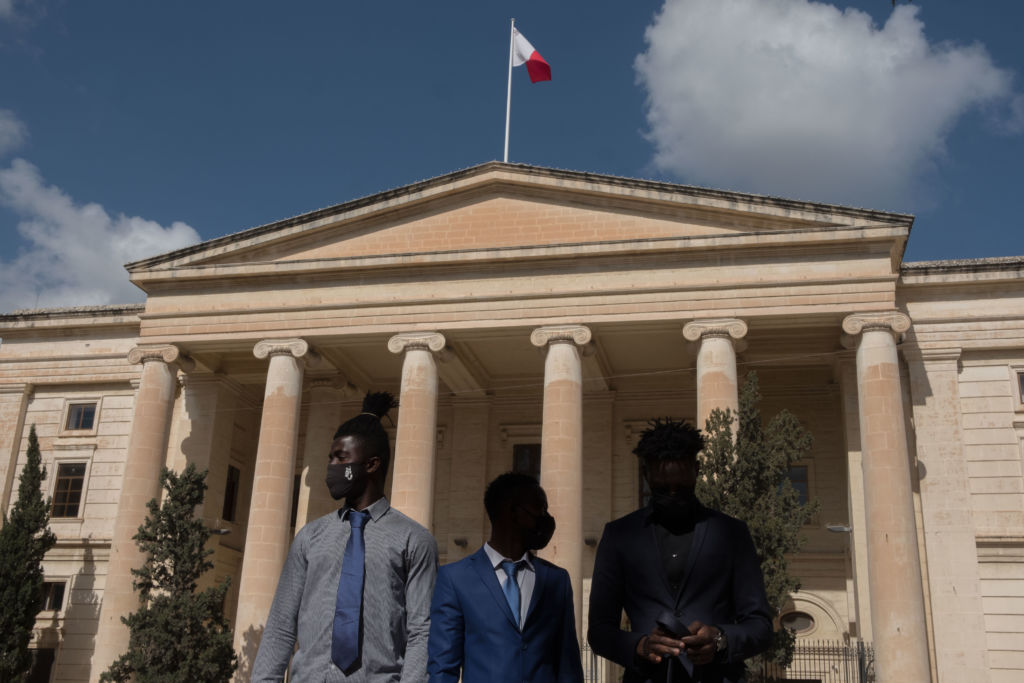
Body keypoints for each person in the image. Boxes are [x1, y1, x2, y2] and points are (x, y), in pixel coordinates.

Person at [253, 392, 438, 682]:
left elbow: (421, 632)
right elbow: (281, 625)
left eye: (341, 458)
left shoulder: (413, 540)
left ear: (372, 464)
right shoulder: (310, 537)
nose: (332, 467)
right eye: (331, 458)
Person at [588, 418, 772, 683]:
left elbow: (761, 626)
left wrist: (719, 640)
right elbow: (599, 631)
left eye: (682, 488)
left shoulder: (732, 533)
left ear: (696, 470)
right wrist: (641, 646)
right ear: (645, 475)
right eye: (661, 489)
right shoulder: (619, 536)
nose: (673, 495)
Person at [427, 472, 584, 683]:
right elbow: (443, 668)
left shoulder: (557, 580)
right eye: (539, 508)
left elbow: (568, 666)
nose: (545, 517)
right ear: (511, 512)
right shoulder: (455, 579)